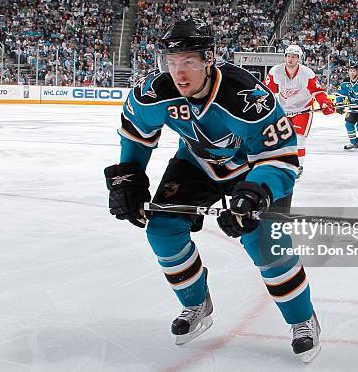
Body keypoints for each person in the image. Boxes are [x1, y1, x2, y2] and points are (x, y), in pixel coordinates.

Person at [103, 18, 321, 362]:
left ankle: (302, 319)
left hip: (253, 169)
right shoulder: (153, 92)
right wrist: (129, 176)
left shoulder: (247, 96)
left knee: (264, 243)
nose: (179, 73)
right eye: (171, 63)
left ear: (209, 58)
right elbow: (135, 134)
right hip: (196, 164)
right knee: (162, 230)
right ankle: (196, 305)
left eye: (188, 62)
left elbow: (282, 158)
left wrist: (257, 194)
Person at [265, 44, 335, 177]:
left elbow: (317, 91)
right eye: (288, 56)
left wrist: (325, 102)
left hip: (302, 110)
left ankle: (298, 165)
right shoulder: (275, 71)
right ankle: (281, 163)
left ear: (299, 59)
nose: (290, 59)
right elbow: (268, 91)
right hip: (283, 110)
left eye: (294, 57)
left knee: (299, 138)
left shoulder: (307, 73)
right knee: (280, 139)